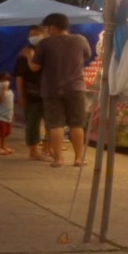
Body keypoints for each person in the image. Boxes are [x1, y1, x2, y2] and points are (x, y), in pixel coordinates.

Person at [29, 12, 92, 168]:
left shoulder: (45, 44)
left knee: (55, 125)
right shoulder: (80, 40)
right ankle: (78, 158)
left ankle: (59, 159)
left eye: (48, 27)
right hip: (76, 88)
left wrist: (28, 57)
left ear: (53, 26)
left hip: (52, 89)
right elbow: (86, 56)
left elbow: (35, 67)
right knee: (77, 124)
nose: (47, 30)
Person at [15, 25, 49, 161]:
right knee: (32, 123)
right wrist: (21, 96)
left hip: (50, 93)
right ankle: (34, 151)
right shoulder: (25, 53)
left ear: (45, 34)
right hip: (32, 94)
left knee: (52, 124)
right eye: (31, 35)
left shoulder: (50, 52)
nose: (33, 37)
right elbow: (19, 76)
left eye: (37, 34)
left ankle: (47, 149)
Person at [0, 72, 15, 156]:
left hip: (8, 116)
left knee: (5, 133)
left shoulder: (10, 92)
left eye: (6, 80)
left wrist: (12, 115)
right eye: (1, 81)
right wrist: (2, 91)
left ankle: (3, 147)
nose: (4, 82)